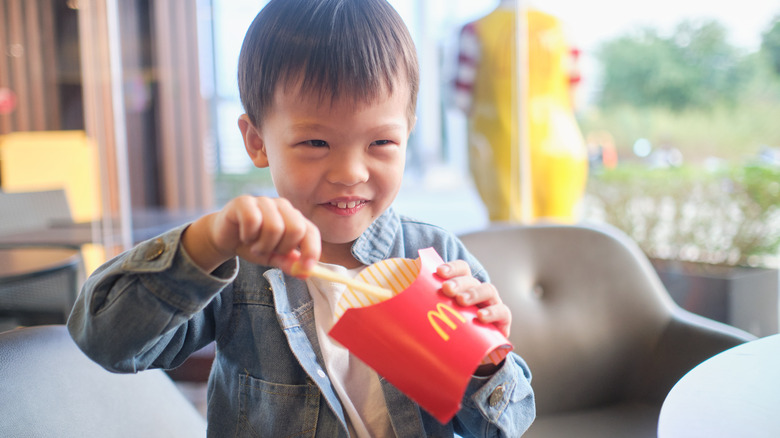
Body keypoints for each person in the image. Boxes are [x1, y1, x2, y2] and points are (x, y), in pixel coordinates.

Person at [67, 0, 535, 436]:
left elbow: (503, 425)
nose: (351, 173)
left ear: (408, 133)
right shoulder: (237, 267)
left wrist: (485, 365)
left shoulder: (438, 260)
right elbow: (106, 340)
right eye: (315, 143)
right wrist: (205, 244)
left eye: (381, 143)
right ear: (256, 141)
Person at [453, 1, 588, 223]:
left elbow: (461, 100)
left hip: (497, 147)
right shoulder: (561, 28)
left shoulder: (474, 30)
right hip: (560, 146)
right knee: (558, 232)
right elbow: (577, 98)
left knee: (509, 233)